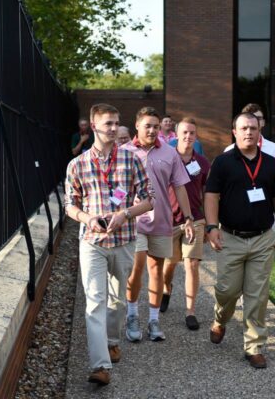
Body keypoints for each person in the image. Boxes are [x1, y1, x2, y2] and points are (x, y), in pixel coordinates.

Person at [64, 103, 153, 385]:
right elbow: (70, 205)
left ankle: (112, 340)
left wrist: (125, 213)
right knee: (94, 302)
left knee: (115, 301)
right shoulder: (77, 165)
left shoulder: (131, 160)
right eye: (108, 124)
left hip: (124, 240)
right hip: (92, 242)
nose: (114, 129)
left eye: (116, 123)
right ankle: (100, 365)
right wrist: (87, 218)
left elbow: (149, 198)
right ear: (94, 127)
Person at [204, 112, 275, 369]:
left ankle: (254, 346)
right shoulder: (223, 162)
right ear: (234, 131)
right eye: (243, 128)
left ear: (259, 130)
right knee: (226, 290)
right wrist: (211, 227)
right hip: (231, 237)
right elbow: (211, 196)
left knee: (257, 294)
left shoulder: (270, 164)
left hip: (263, 239)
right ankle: (220, 319)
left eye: (253, 128)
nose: (248, 133)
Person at [123, 107, 195, 342]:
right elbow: (117, 188)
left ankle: (154, 320)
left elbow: (180, 186)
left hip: (162, 220)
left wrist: (187, 217)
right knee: (137, 267)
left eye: (156, 126)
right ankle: (132, 315)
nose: (153, 130)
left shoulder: (170, 153)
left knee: (157, 270)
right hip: (134, 221)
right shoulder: (125, 152)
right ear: (137, 126)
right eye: (148, 126)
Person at [160, 118, 210, 330]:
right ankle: (166, 288)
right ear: (176, 135)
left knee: (192, 263)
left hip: (196, 219)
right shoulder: (167, 159)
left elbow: (209, 194)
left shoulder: (203, 163)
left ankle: (190, 311)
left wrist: (209, 223)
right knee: (170, 263)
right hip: (170, 220)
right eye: (184, 132)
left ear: (195, 136)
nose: (188, 136)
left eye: (192, 133)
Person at [224, 103, 275, 232]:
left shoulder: (273, 149)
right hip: (238, 213)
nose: (258, 121)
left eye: (260, 118)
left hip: (266, 213)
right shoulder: (229, 151)